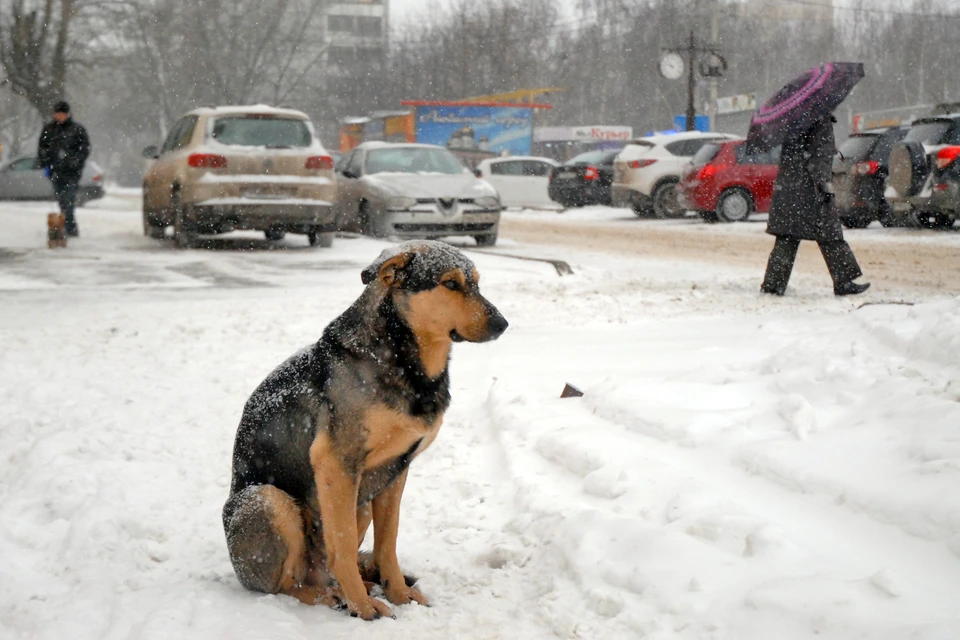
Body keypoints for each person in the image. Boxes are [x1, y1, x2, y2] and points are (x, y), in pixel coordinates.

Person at [761, 114, 870, 296]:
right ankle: (843, 281)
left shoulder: (794, 121)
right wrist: (824, 186)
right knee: (830, 234)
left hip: (789, 190)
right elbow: (819, 159)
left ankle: (773, 286)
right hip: (810, 192)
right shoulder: (821, 122)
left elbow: (796, 156)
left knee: (787, 237)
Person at [38, 101, 91, 237]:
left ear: (67, 114)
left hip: (72, 173)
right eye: (58, 114)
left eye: (62, 114)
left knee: (68, 199)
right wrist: (46, 164)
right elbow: (42, 149)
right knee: (62, 200)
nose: (60, 116)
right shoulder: (49, 130)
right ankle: (65, 226)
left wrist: (75, 161)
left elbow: (85, 149)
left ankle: (70, 227)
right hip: (55, 172)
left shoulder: (77, 130)